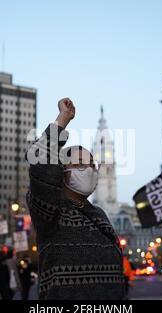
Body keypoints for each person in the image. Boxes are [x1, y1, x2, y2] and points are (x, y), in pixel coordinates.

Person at [25, 98, 126, 300]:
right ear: (61, 172)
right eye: (79, 164)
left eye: (91, 165)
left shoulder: (100, 216)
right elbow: (39, 161)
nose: (87, 170)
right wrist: (63, 119)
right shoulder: (50, 213)